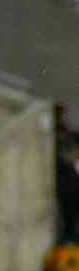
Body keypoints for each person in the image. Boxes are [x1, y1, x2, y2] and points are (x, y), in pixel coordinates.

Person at [54, 104, 79, 244]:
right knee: (70, 219)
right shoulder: (56, 139)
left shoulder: (71, 135)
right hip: (67, 190)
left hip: (71, 187)